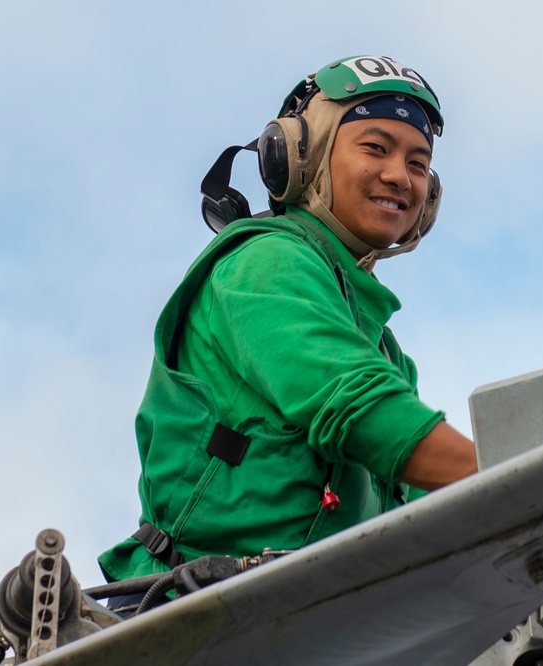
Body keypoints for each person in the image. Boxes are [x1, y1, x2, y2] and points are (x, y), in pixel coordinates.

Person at [99, 55, 477, 586]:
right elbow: (360, 409)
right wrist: (535, 480)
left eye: (419, 163)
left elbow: (428, 504)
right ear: (300, 158)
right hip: (193, 615)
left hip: (316, 621)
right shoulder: (266, 264)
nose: (400, 176)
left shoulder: (383, 350)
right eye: (375, 148)